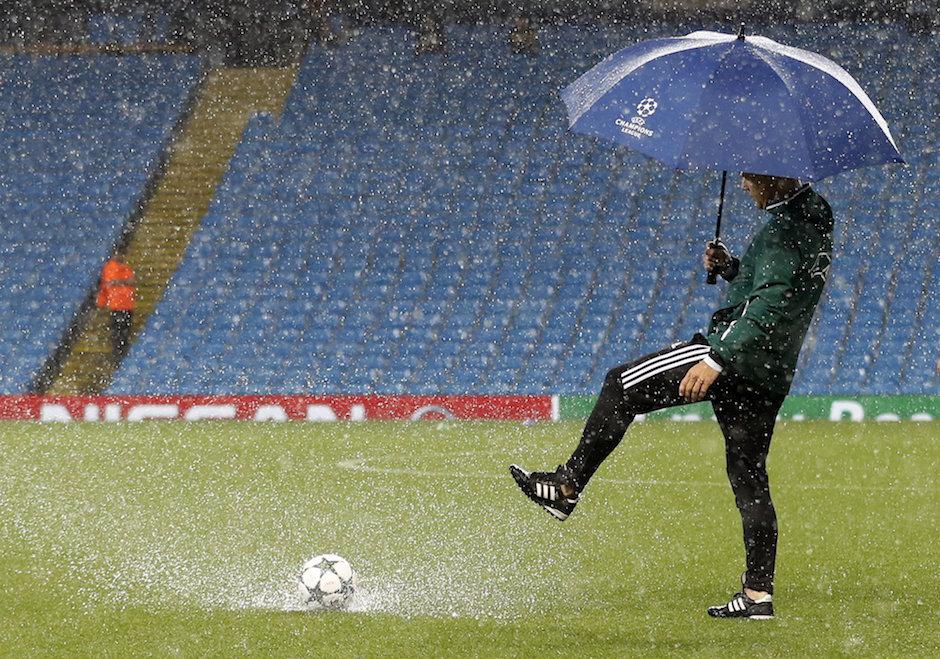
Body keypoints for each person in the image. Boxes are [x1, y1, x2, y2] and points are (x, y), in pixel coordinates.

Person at [510, 173, 834, 620]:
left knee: (620, 385)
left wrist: (716, 359)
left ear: (774, 177)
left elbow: (771, 302)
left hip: (736, 358)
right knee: (749, 477)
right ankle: (758, 595)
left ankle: (566, 487)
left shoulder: (783, 229)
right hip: (770, 371)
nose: (742, 183)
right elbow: (779, 286)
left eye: (749, 175)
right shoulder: (814, 216)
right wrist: (733, 269)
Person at [96, 244, 137, 364]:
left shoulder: (125, 268)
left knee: (123, 332)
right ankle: (118, 356)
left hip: (127, 305)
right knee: (119, 332)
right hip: (118, 305)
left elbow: (127, 281)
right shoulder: (110, 268)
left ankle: (120, 355)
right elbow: (111, 283)